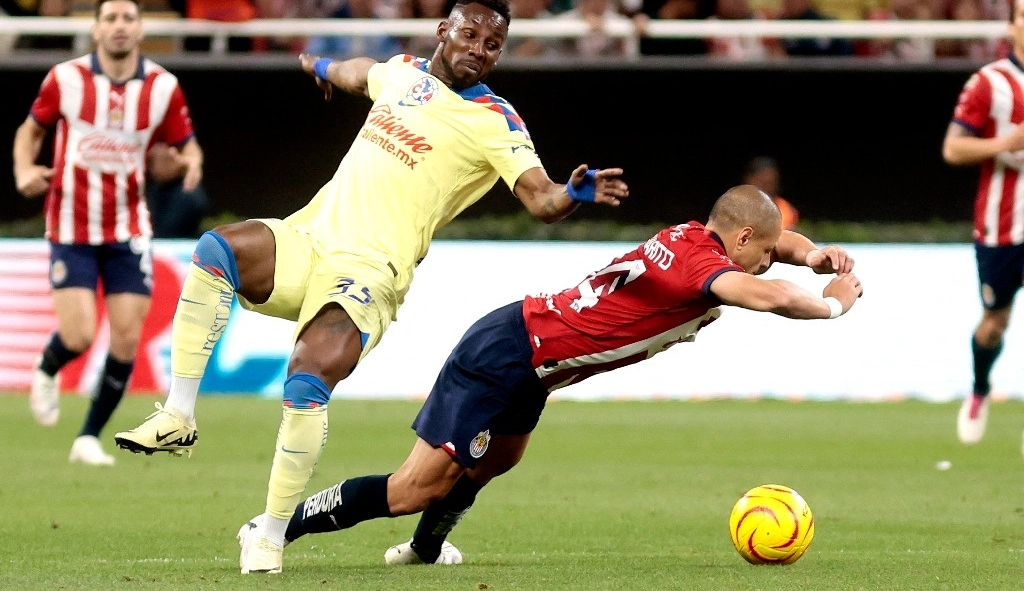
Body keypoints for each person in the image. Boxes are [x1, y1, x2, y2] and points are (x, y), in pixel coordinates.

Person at [111, 0, 630, 574]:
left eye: (493, 45)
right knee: (216, 249)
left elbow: (540, 198)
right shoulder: (403, 72)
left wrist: (572, 194)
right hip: (307, 241)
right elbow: (363, 73)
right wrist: (322, 66)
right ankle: (178, 415)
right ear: (442, 30)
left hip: (368, 273)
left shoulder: (495, 120)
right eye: (469, 35)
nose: (479, 51)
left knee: (306, 379)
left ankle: (270, 535)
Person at [236, 184, 862, 568]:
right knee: (413, 489)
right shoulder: (704, 263)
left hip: (532, 362)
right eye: (767, 247)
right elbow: (765, 294)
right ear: (743, 238)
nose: (770, 255)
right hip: (506, 351)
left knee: (497, 460)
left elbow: (776, 252)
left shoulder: (696, 236)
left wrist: (811, 254)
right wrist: (833, 300)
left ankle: (424, 551)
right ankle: (273, 527)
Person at [12, 0, 204, 466]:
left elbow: (187, 142)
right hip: (71, 224)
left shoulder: (163, 87)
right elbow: (30, 130)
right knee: (78, 335)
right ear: (96, 28)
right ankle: (48, 366)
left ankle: (87, 438)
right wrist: (22, 170)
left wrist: (191, 164)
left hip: (128, 226)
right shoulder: (66, 79)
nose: (119, 25)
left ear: (140, 28)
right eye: (110, 17)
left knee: (125, 338)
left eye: (128, 17)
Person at [942, 0, 1024, 447]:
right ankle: (979, 388)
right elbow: (954, 147)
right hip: (1001, 225)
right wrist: (1002, 145)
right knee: (996, 320)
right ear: (1011, 26)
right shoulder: (989, 83)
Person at [742, 156, 799, 230]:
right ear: (749, 180)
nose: (767, 189)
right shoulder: (732, 206)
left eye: (770, 183)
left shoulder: (786, 210)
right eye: (762, 183)